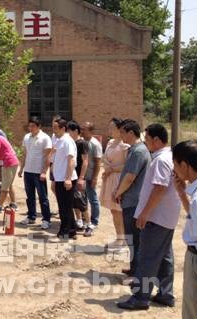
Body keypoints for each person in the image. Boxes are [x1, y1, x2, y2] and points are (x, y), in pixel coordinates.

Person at [118, 124, 180, 310]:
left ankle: (140, 297)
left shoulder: (161, 160)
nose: (145, 143)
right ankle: (165, 294)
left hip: (156, 217)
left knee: (147, 258)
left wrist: (145, 213)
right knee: (165, 257)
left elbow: (160, 188)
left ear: (157, 140)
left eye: (147, 139)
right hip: (166, 217)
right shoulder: (170, 157)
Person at [114, 119, 151, 279]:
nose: (120, 135)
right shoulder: (135, 150)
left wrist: (118, 192)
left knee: (135, 239)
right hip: (131, 200)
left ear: (131, 132)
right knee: (132, 238)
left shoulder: (138, 152)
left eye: (122, 132)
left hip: (134, 201)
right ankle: (133, 268)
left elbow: (130, 177)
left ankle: (137, 273)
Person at [172, 140, 197, 319]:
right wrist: (182, 194)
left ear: (184, 165)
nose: (174, 170)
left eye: (175, 165)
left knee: (193, 311)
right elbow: (195, 217)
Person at [18, 117, 52, 229]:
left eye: (33, 126)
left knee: (43, 197)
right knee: (30, 196)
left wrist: (44, 172)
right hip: (28, 171)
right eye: (29, 126)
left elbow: (48, 156)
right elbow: (25, 154)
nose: (30, 128)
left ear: (39, 126)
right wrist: (21, 168)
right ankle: (31, 216)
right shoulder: (26, 137)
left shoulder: (45, 138)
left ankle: (46, 219)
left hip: (38, 172)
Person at [100, 118, 129, 249]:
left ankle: (125, 239)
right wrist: (107, 169)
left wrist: (112, 169)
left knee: (120, 210)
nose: (110, 130)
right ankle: (119, 237)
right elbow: (104, 159)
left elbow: (128, 166)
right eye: (109, 127)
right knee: (113, 210)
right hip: (109, 178)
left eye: (112, 128)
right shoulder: (110, 142)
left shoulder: (125, 145)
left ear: (119, 129)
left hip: (119, 179)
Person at [51, 118, 78, 240]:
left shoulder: (67, 141)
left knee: (65, 207)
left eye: (55, 128)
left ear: (63, 128)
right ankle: (72, 230)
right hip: (59, 178)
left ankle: (64, 231)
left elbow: (71, 160)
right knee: (64, 206)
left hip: (66, 178)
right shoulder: (57, 140)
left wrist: (68, 178)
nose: (53, 130)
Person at [67, 121, 94, 237]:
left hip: (79, 176)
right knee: (74, 201)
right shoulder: (71, 143)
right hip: (72, 176)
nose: (67, 133)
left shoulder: (82, 143)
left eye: (69, 131)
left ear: (75, 131)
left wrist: (81, 177)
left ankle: (89, 224)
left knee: (82, 201)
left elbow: (85, 161)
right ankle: (79, 221)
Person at [81, 122, 102, 229]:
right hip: (83, 176)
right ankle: (85, 219)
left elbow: (98, 162)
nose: (82, 131)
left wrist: (95, 177)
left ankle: (94, 220)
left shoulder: (95, 144)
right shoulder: (82, 141)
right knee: (82, 198)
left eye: (84, 129)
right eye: (81, 129)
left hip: (90, 176)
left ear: (91, 131)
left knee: (93, 199)